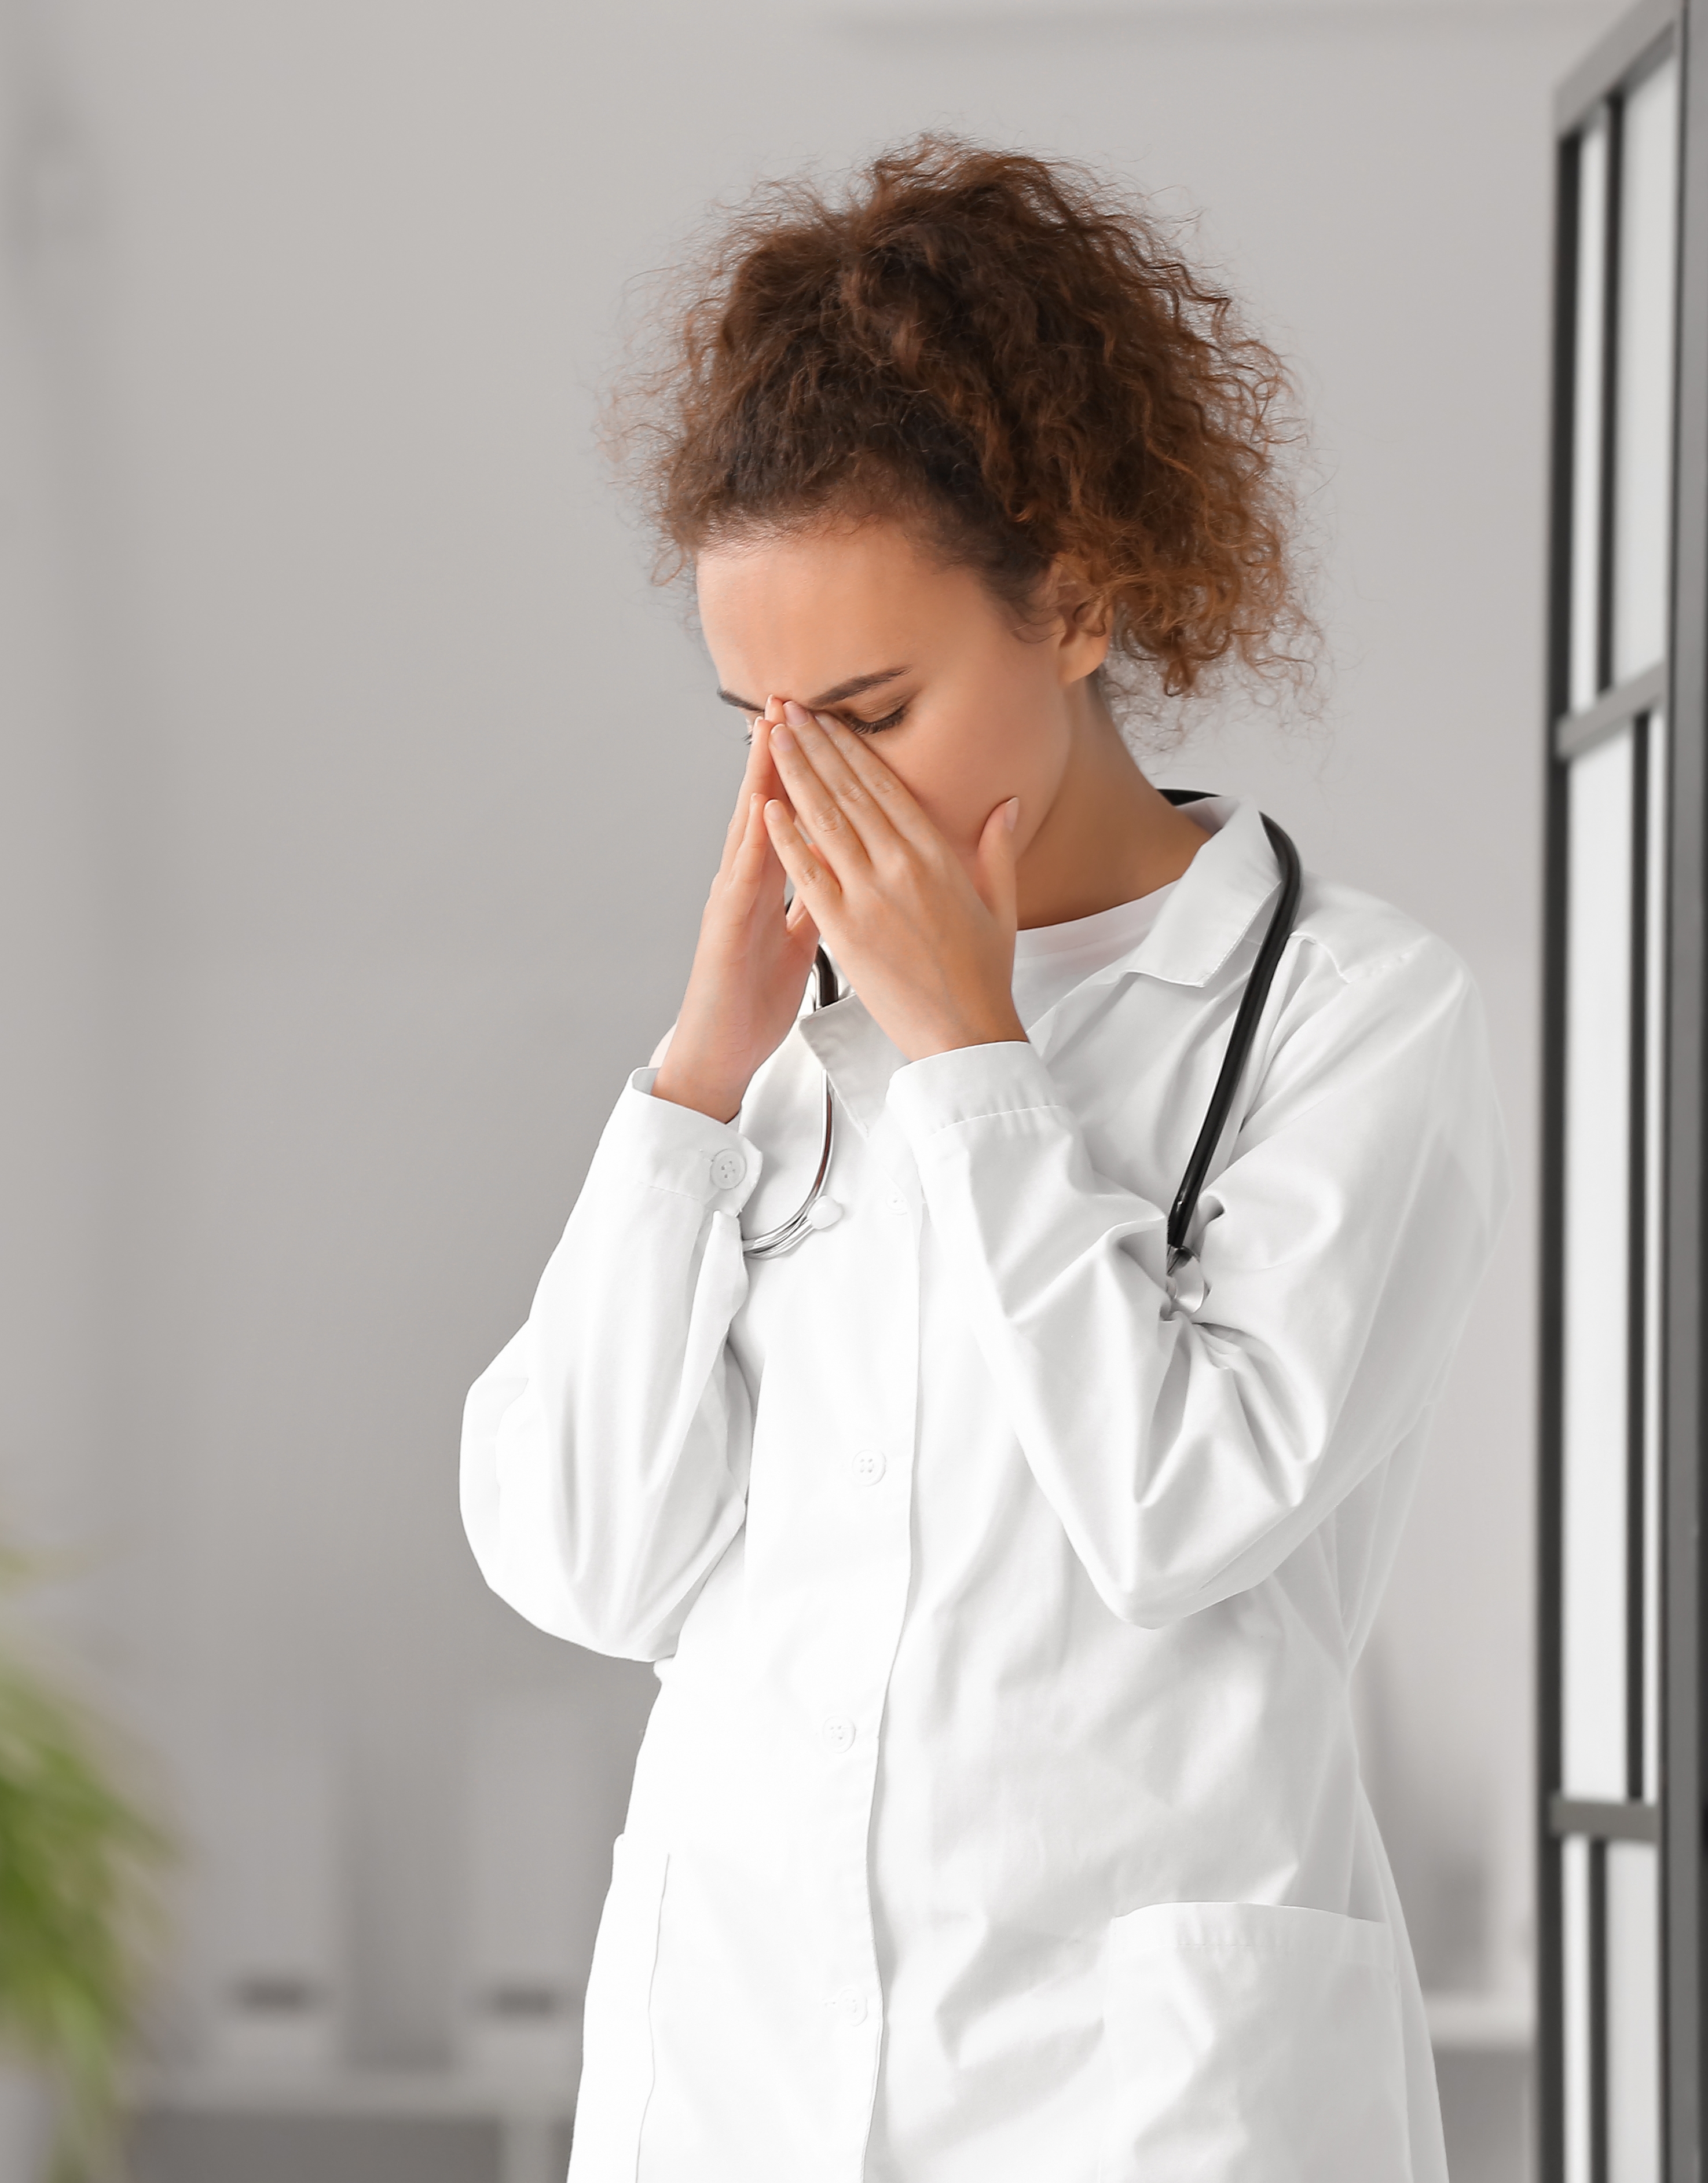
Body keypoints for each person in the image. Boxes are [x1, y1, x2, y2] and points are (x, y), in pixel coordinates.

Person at [459, 139, 1508, 2182]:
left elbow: (1177, 1508)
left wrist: (970, 1056)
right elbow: (582, 1554)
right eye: (760, 722)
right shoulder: (779, 1050)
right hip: (740, 2080)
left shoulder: (1356, 1018)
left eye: (868, 705)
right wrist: (693, 1081)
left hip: (1135, 2105)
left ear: (1085, 600)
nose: (807, 795)